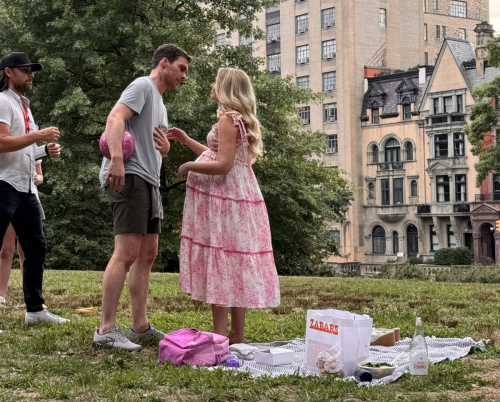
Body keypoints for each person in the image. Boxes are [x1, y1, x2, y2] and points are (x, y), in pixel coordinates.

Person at [168, 67, 280, 344]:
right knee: (233, 261)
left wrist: (187, 167)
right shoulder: (235, 119)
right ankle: (236, 334)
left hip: (226, 198)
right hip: (238, 196)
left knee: (222, 260)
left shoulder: (229, 120)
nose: (211, 84)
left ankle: (219, 334)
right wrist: (186, 141)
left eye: (215, 81)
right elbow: (216, 153)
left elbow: (223, 165)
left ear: (226, 88)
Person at [93, 44, 191, 351]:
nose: (183, 76)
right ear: (164, 63)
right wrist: (117, 163)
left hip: (149, 181)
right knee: (126, 253)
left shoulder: (159, 101)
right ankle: (106, 329)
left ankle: (140, 326)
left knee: (147, 253)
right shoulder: (142, 85)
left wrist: (165, 149)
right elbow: (114, 119)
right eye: (181, 68)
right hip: (130, 176)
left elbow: (149, 138)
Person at [0, 52, 67, 324]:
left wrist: (43, 151)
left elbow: (22, 150)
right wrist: (39, 135)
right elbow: (2, 142)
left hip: (25, 187)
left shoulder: (24, 106)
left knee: (36, 248)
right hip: (4, 183)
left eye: (31, 71)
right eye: (25, 70)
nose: (31, 74)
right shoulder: (3, 102)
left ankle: (35, 311)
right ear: (8, 72)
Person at [0, 160, 45, 305]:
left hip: (30, 198)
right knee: (6, 249)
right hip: (7, 196)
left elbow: (40, 176)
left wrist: (36, 178)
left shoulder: (33, 144)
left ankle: (30, 298)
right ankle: (1, 295)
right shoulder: (9, 143)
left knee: (29, 250)